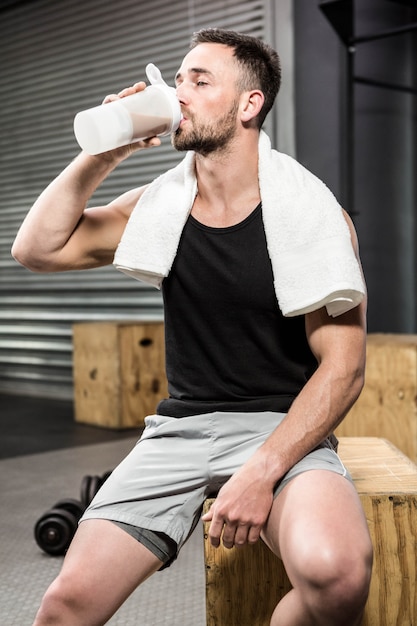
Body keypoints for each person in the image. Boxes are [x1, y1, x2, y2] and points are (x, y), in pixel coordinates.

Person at [12, 28, 373, 626]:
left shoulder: (313, 213)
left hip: (279, 428)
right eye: (177, 80)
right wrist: (105, 153)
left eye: (199, 82)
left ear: (249, 104)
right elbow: (37, 249)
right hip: (179, 429)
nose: (178, 94)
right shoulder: (158, 205)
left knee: (338, 576)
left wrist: (262, 470)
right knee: (63, 608)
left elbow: (345, 368)